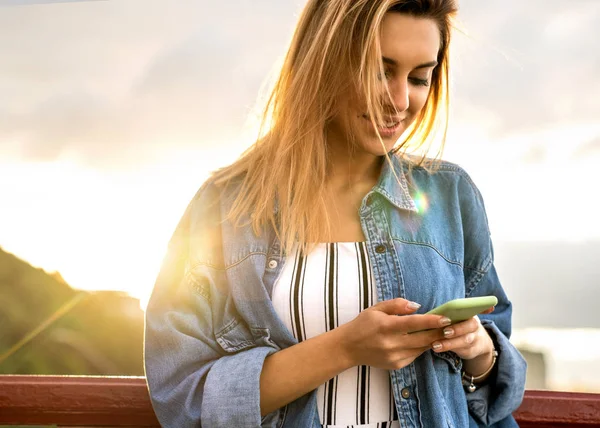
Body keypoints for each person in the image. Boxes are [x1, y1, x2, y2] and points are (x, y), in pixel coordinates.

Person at [144, 0, 527, 427]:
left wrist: (479, 350)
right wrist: (343, 348)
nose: (400, 101)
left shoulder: (452, 195)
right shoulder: (224, 206)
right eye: (380, 71)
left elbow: (495, 379)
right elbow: (180, 393)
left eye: (419, 78)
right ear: (324, 61)